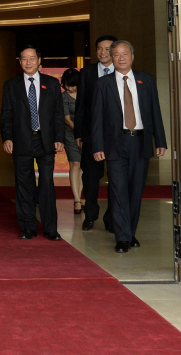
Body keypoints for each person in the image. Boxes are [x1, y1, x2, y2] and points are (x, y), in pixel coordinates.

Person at [91, 40, 167, 254]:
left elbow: (155, 112)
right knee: (118, 190)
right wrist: (97, 146)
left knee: (136, 190)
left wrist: (160, 141)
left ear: (132, 56)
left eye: (125, 54)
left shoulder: (146, 80)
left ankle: (130, 232)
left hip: (140, 142)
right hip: (115, 144)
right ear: (111, 58)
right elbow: (96, 118)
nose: (121, 57)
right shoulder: (103, 84)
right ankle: (122, 237)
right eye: (116, 54)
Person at [1, 45, 65, 241]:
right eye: (24, 59)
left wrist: (59, 138)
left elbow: (58, 114)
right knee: (24, 185)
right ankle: (28, 227)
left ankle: (50, 228)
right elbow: (7, 114)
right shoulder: (11, 85)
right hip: (21, 140)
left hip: (45, 141)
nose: (28, 62)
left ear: (39, 61)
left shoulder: (52, 83)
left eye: (32, 58)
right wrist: (7, 137)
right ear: (19, 62)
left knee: (46, 183)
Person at [74, 35, 118, 232]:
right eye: (99, 48)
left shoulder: (123, 71)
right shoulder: (87, 72)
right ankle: (90, 215)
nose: (102, 52)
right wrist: (79, 132)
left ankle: (111, 219)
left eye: (107, 48)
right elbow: (81, 104)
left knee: (116, 177)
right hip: (92, 134)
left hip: (117, 134)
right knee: (91, 177)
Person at [60, 68, 83, 214]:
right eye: (67, 85)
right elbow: (67, 119)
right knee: (75, 164)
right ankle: (76, 200)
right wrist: (79, 132)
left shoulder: (85, 94)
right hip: (70, 134)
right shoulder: (64, 97)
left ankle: (80, 196)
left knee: (83, 168)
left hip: (87, 135)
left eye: (73, 85)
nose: (70, 88)